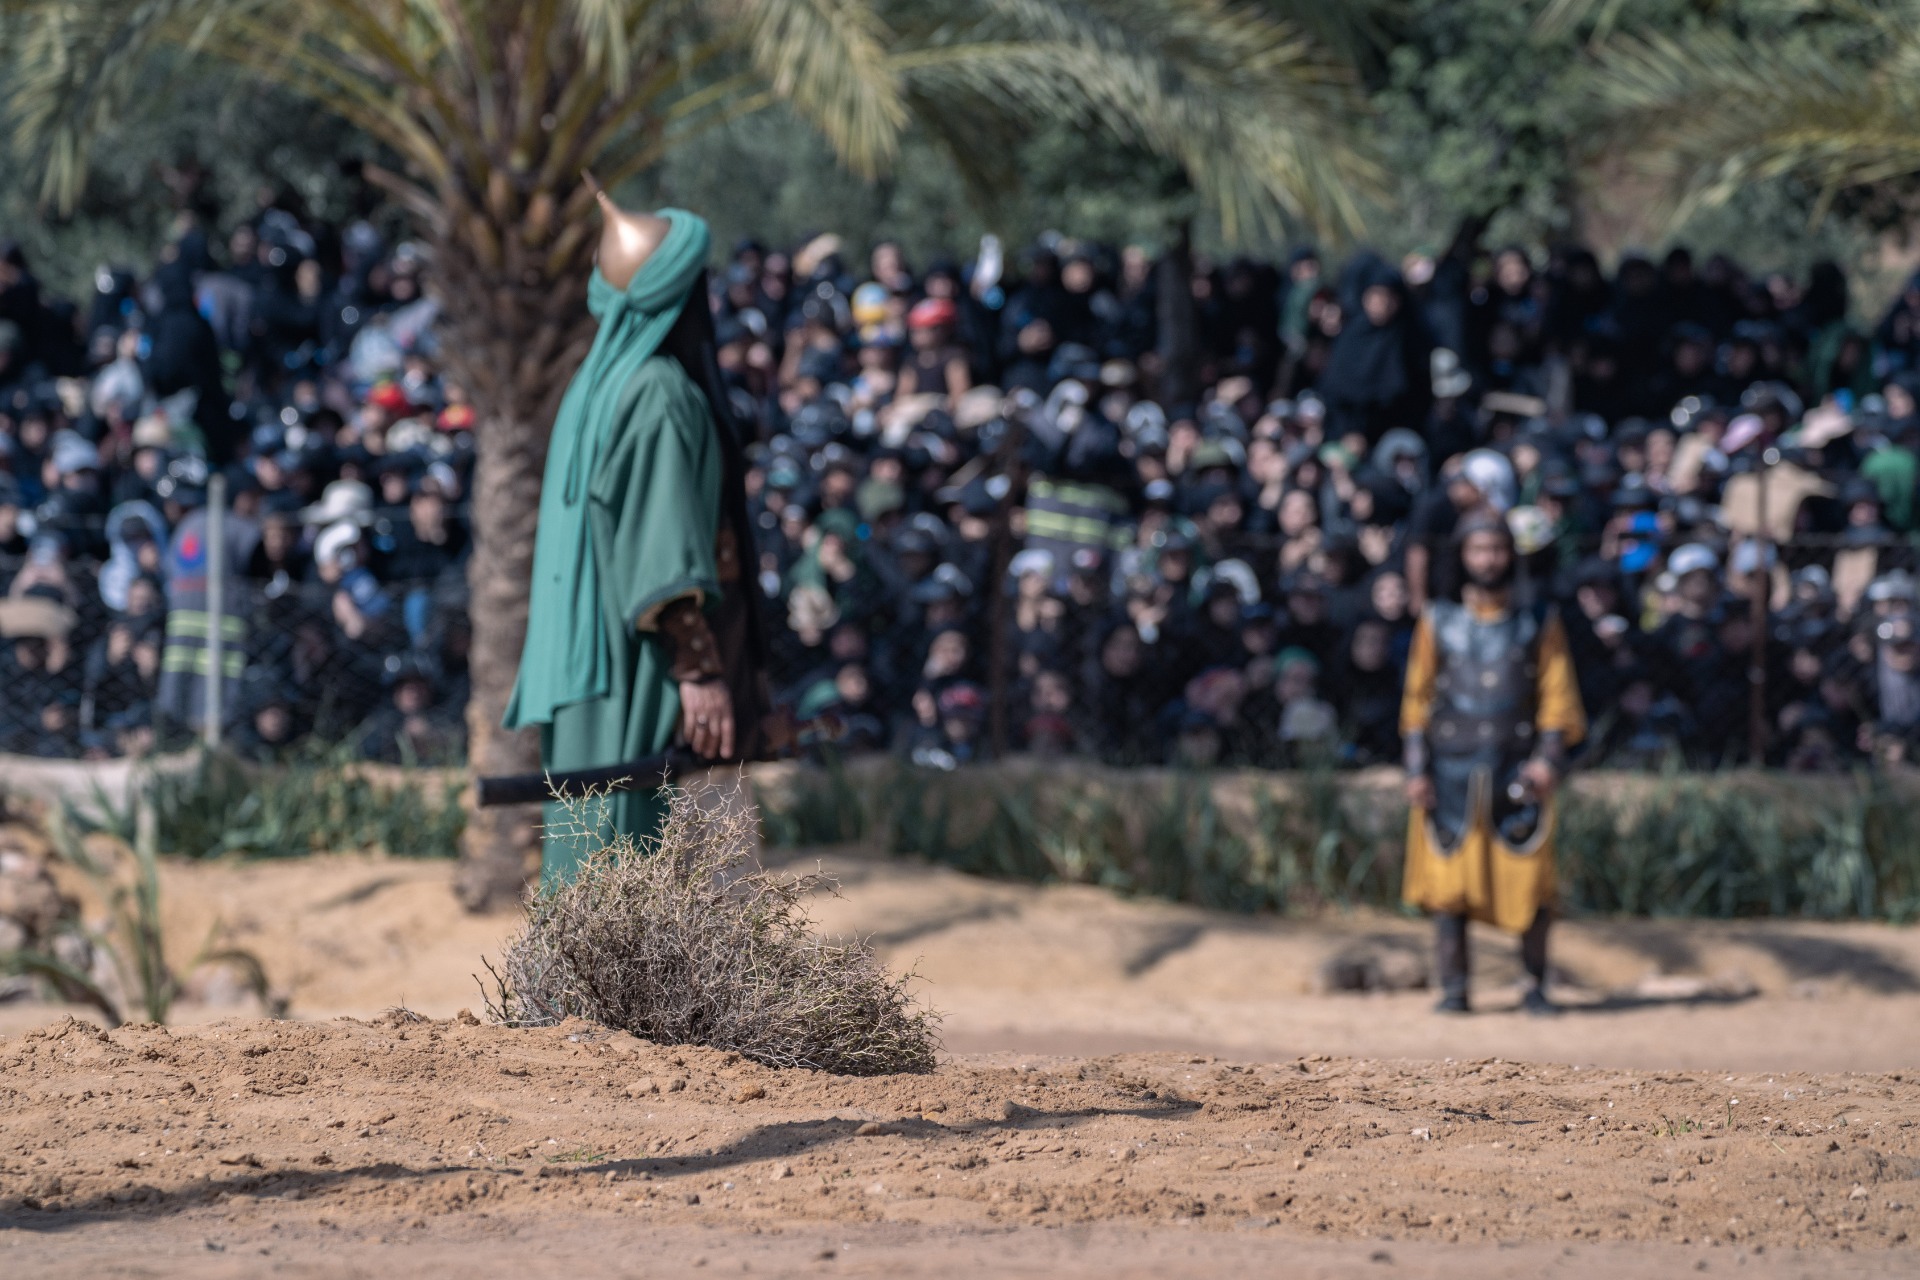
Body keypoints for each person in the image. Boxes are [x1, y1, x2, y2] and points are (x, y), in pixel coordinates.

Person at [503, 188, 767, 885]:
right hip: (639, 669)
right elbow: (662, 548)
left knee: (589, 860)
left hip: (585, 669)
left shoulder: (594, 387)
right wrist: (699, 668)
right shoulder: (657, 393)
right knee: (639, 860)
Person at [1399, 509, 1586, 1015]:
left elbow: (1558, 698)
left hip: (1515, 765)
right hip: (1451, 769)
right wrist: (1416, 769)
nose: (1488, 560)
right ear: (1463, 556)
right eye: (1479, 550)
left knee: (1529, 882)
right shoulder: (1437, 619)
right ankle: (1454, 989)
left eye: (1497, 549)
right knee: (1449, 884)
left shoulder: (1536, 620)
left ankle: (1534, 986)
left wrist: (1548, 760)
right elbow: (1417, 700)